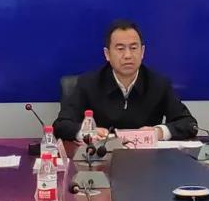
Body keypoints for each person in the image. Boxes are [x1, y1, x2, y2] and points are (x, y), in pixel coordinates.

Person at [52, 20, 197, 141]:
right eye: (120, 49)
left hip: (147, 160)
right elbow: (61, 125)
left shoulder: (159, 84)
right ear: (107, 54)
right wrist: (87, 133)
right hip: (102, 158)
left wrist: (158, 132)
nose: (128, 55)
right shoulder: (88, 83)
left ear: (142, 52)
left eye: (133, 48)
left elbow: (189, 124)